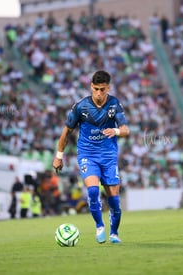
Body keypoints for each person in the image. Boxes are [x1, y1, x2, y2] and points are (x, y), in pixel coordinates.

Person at [53, 70, 130, 244]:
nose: (99, 93)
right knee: (93, 190)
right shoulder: (81, 107)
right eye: (96, 89)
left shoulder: (114, 104)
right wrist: (59, 156)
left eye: (102, 89)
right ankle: (100, 226)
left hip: (108, 156)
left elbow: (126, 129)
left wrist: (116, 130)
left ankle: (114, 233)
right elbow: (66, 132)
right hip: (88, 154)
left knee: (115, 202)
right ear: (91, 87)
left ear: (108, 88)